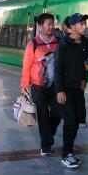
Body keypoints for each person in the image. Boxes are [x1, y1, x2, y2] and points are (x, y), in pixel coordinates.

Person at [21, 13, 61, 156]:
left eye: (52, 24)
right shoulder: (33, 44)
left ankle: (48, 136)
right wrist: (25, 85)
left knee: (58, 112)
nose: (51, 27)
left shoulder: (59, 41)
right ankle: (46, 145)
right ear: (40, 27)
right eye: (48, 24)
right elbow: (27, 65)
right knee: (43, 115)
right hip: (38, 85)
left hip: (55, 84)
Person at [54, 13, 88, 169]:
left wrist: (84, 79)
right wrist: (59, 91)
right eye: (81, 24)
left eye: (85, 23)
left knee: (77, 120)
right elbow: (57, 68)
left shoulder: (85, 43)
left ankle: (69, 151)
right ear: (73, 27)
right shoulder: (64, 44)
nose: (85, 26)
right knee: (70, 120)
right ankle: (66, 154)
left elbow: (85, 65)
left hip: (77, 89)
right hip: (65, 89)